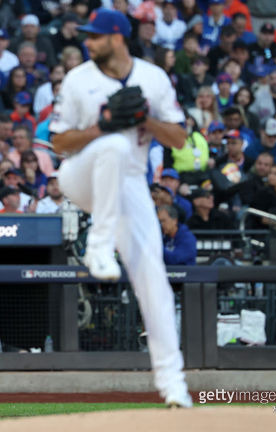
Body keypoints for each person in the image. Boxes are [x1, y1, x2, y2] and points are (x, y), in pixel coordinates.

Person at [49, 8, 192, 408]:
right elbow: (58, 142)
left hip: (128, 184)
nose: (87, 42)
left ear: (117, 38)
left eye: (94, 36)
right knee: (112, 144)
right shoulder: (79, 79)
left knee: (153, 279)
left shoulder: (153, 78)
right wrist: (104, 125)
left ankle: (173, 385)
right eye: (87, 35)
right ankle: (99, 244)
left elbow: (179, 138)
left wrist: (146, 118)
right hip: (79, 174)